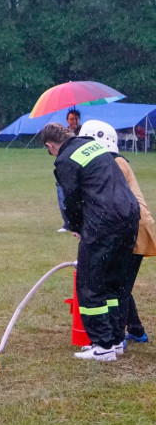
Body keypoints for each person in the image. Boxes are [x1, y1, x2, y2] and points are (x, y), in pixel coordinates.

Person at [40, 122, 139, 361]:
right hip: (129, 216)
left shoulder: (65, 160)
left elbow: (71, 199)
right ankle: (115, 341)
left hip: (102, 223)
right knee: (114, 283)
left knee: (91, 283)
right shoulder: (92, 146)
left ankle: (102, 345)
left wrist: (76, 227)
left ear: (50, 145)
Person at [78, 120, 156, 347]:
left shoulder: (114, 163)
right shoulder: (112, 161)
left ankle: (116, 337)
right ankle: (136, 330)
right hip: (128, 226)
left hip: (131, 227)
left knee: (117, 286)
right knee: (119, 283)